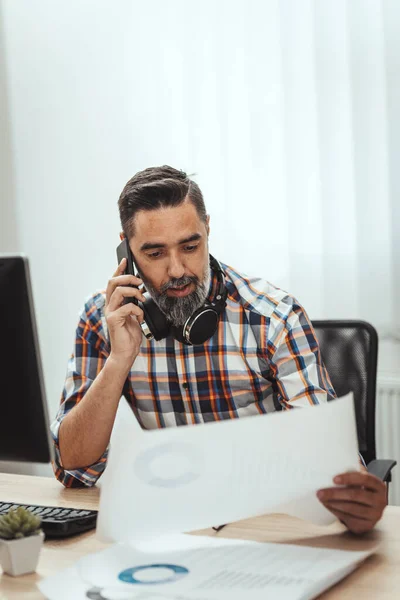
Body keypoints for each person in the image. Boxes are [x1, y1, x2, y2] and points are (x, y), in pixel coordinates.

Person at [51, 165, 387, 534]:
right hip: (178, 529)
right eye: (154, 253)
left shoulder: (273, 317)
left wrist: (359, 501)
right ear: (126, 250)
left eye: (190, 246)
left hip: (269, 527)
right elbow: (73, 470)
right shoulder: (106, 318)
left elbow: (330, 465)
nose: (177, 269)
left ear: (208, 229)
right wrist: (118, 361)